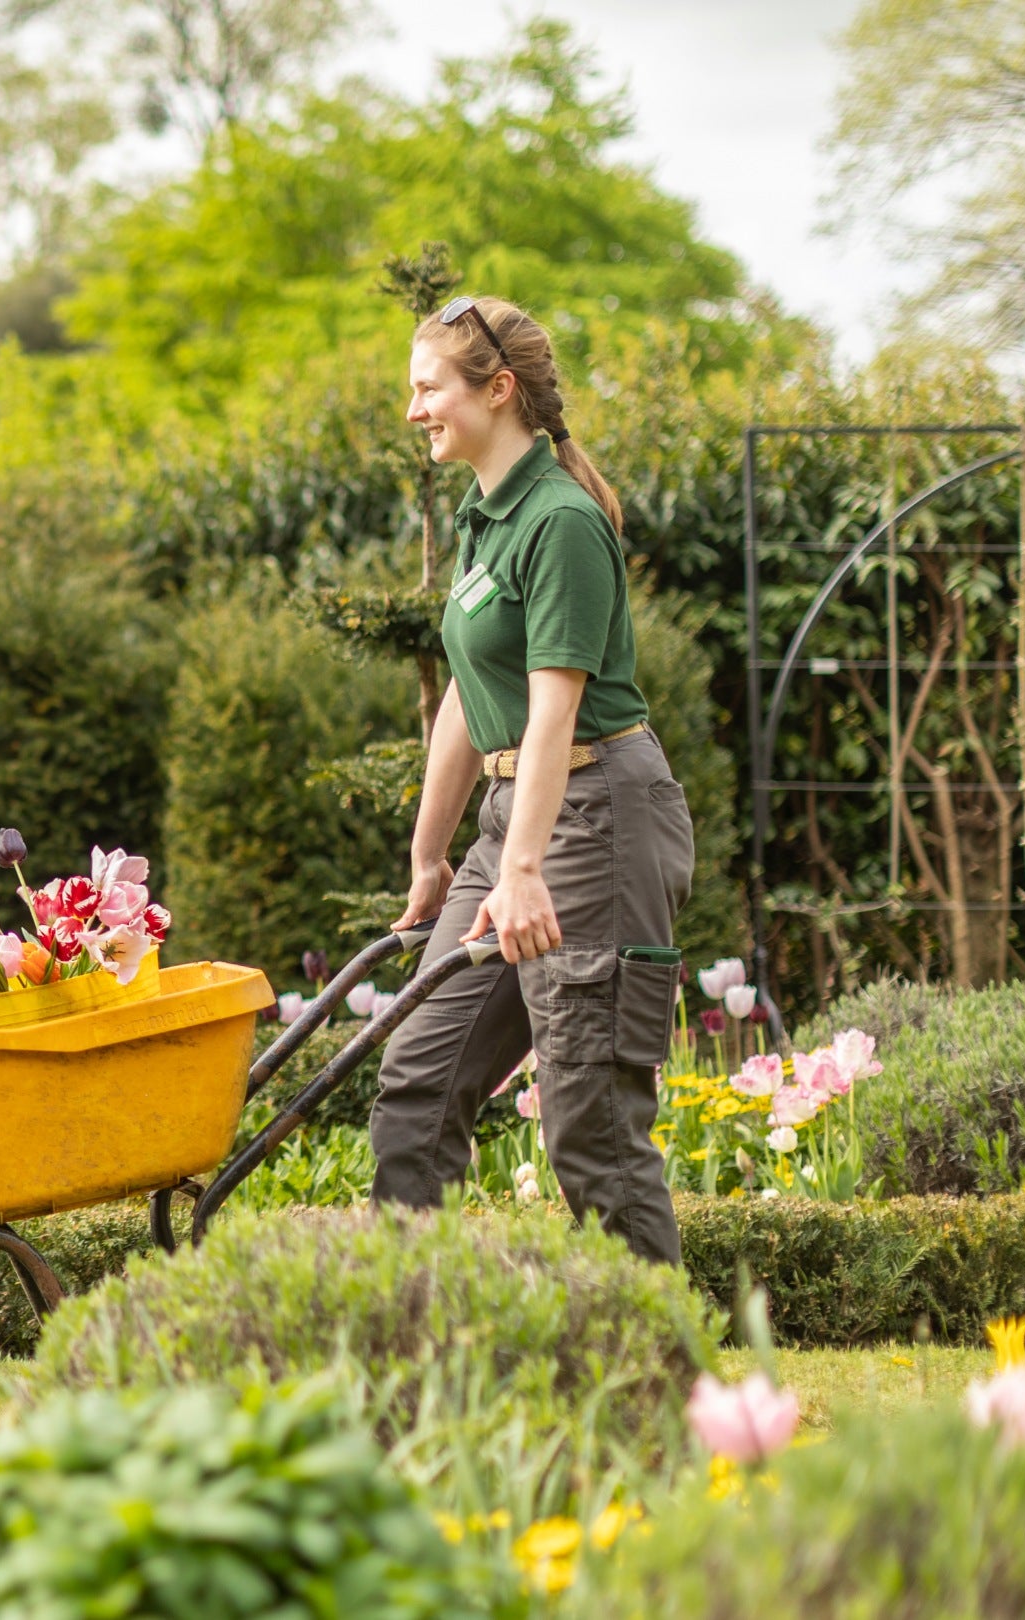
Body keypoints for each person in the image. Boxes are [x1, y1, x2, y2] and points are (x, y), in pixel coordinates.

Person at [368, 294, 694, 1264]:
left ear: (497, 389)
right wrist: (433, 857)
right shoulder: (484, 513)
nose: (414, 408)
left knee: (590, 1127)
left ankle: (660, 1384)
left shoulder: (560, 523)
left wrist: (521, 871)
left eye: (428, 387)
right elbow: (475, 693)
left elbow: (554, 711)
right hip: (520, 819)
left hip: (597, 822)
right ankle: (408, 1355)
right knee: (416, 1082)